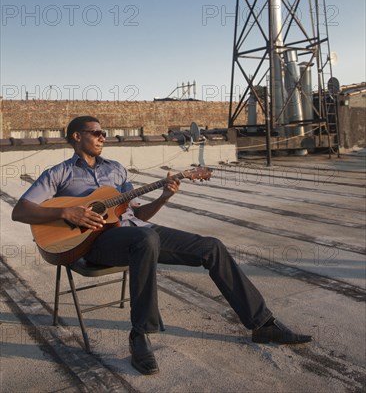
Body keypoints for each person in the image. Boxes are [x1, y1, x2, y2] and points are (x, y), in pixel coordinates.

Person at [12, 116, 312, 375]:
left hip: (136, 232)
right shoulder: (59, 173)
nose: (103, 137)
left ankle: (263, 324)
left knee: (211, 246)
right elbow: (21, 211)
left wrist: (164, 196)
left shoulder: (116, 170)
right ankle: (140, 334)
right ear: (77, 136)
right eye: (96, 132)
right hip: (94, 242)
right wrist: (66, 211)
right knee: (146, 239)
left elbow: (136, 214)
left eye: (104, 132)